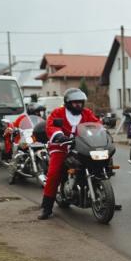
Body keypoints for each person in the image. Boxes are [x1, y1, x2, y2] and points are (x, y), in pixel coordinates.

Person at [38, 88, 101, 220]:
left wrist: (102, 131)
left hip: (80, 146)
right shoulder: (58, 112)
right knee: (54, 173)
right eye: (75, 103)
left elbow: (96, 124)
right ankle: (47, 207)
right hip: (60, 146)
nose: (78, 105)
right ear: (68, 103)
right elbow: (51, 126)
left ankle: (104, 196)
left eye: (80, 102)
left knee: (99, 163)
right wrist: (59, 135)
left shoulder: (86, 113)